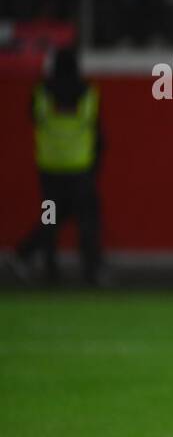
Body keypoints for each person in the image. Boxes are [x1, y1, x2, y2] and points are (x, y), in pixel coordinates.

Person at [14, 47, 104, 285]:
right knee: (87, 221)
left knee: (50, 219)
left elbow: (34, 118)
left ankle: (47, 266)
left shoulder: (41, 93)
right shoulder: (87, 93)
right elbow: (96, 131)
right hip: (80, 169)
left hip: (50, 171)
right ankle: (91, 271)